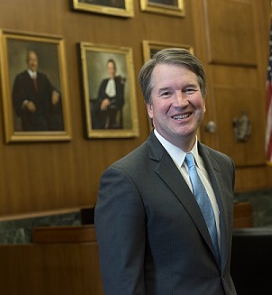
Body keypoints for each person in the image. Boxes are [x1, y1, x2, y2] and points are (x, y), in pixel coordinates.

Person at [95, 48, 237, 294]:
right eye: (166, 93)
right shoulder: (125, 179)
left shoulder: (223, 165)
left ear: (203, 97)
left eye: (189, 90)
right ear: (150, 107)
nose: (180, 102)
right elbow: (123, 285)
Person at [12, 50, 63, 131]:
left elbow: (51, 89)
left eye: (35, 60)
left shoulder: (43, 77)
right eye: (30, 60)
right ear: (27, 62)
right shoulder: (20, 78)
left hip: (44, 117)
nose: (33, 62)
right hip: (29, 119)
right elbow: (16, 98)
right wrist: (25, 103)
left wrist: (54, 92)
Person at [92, 59, 125, 129]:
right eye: (109, 69)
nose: (111, 71)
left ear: (115, 70)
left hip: (112, 106)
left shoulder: (118, 83)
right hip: (102, 105)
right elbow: (100, 95)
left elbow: (120, 98)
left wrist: (109, 102)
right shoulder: (104, 82)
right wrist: (103, 102)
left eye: (112, 68)